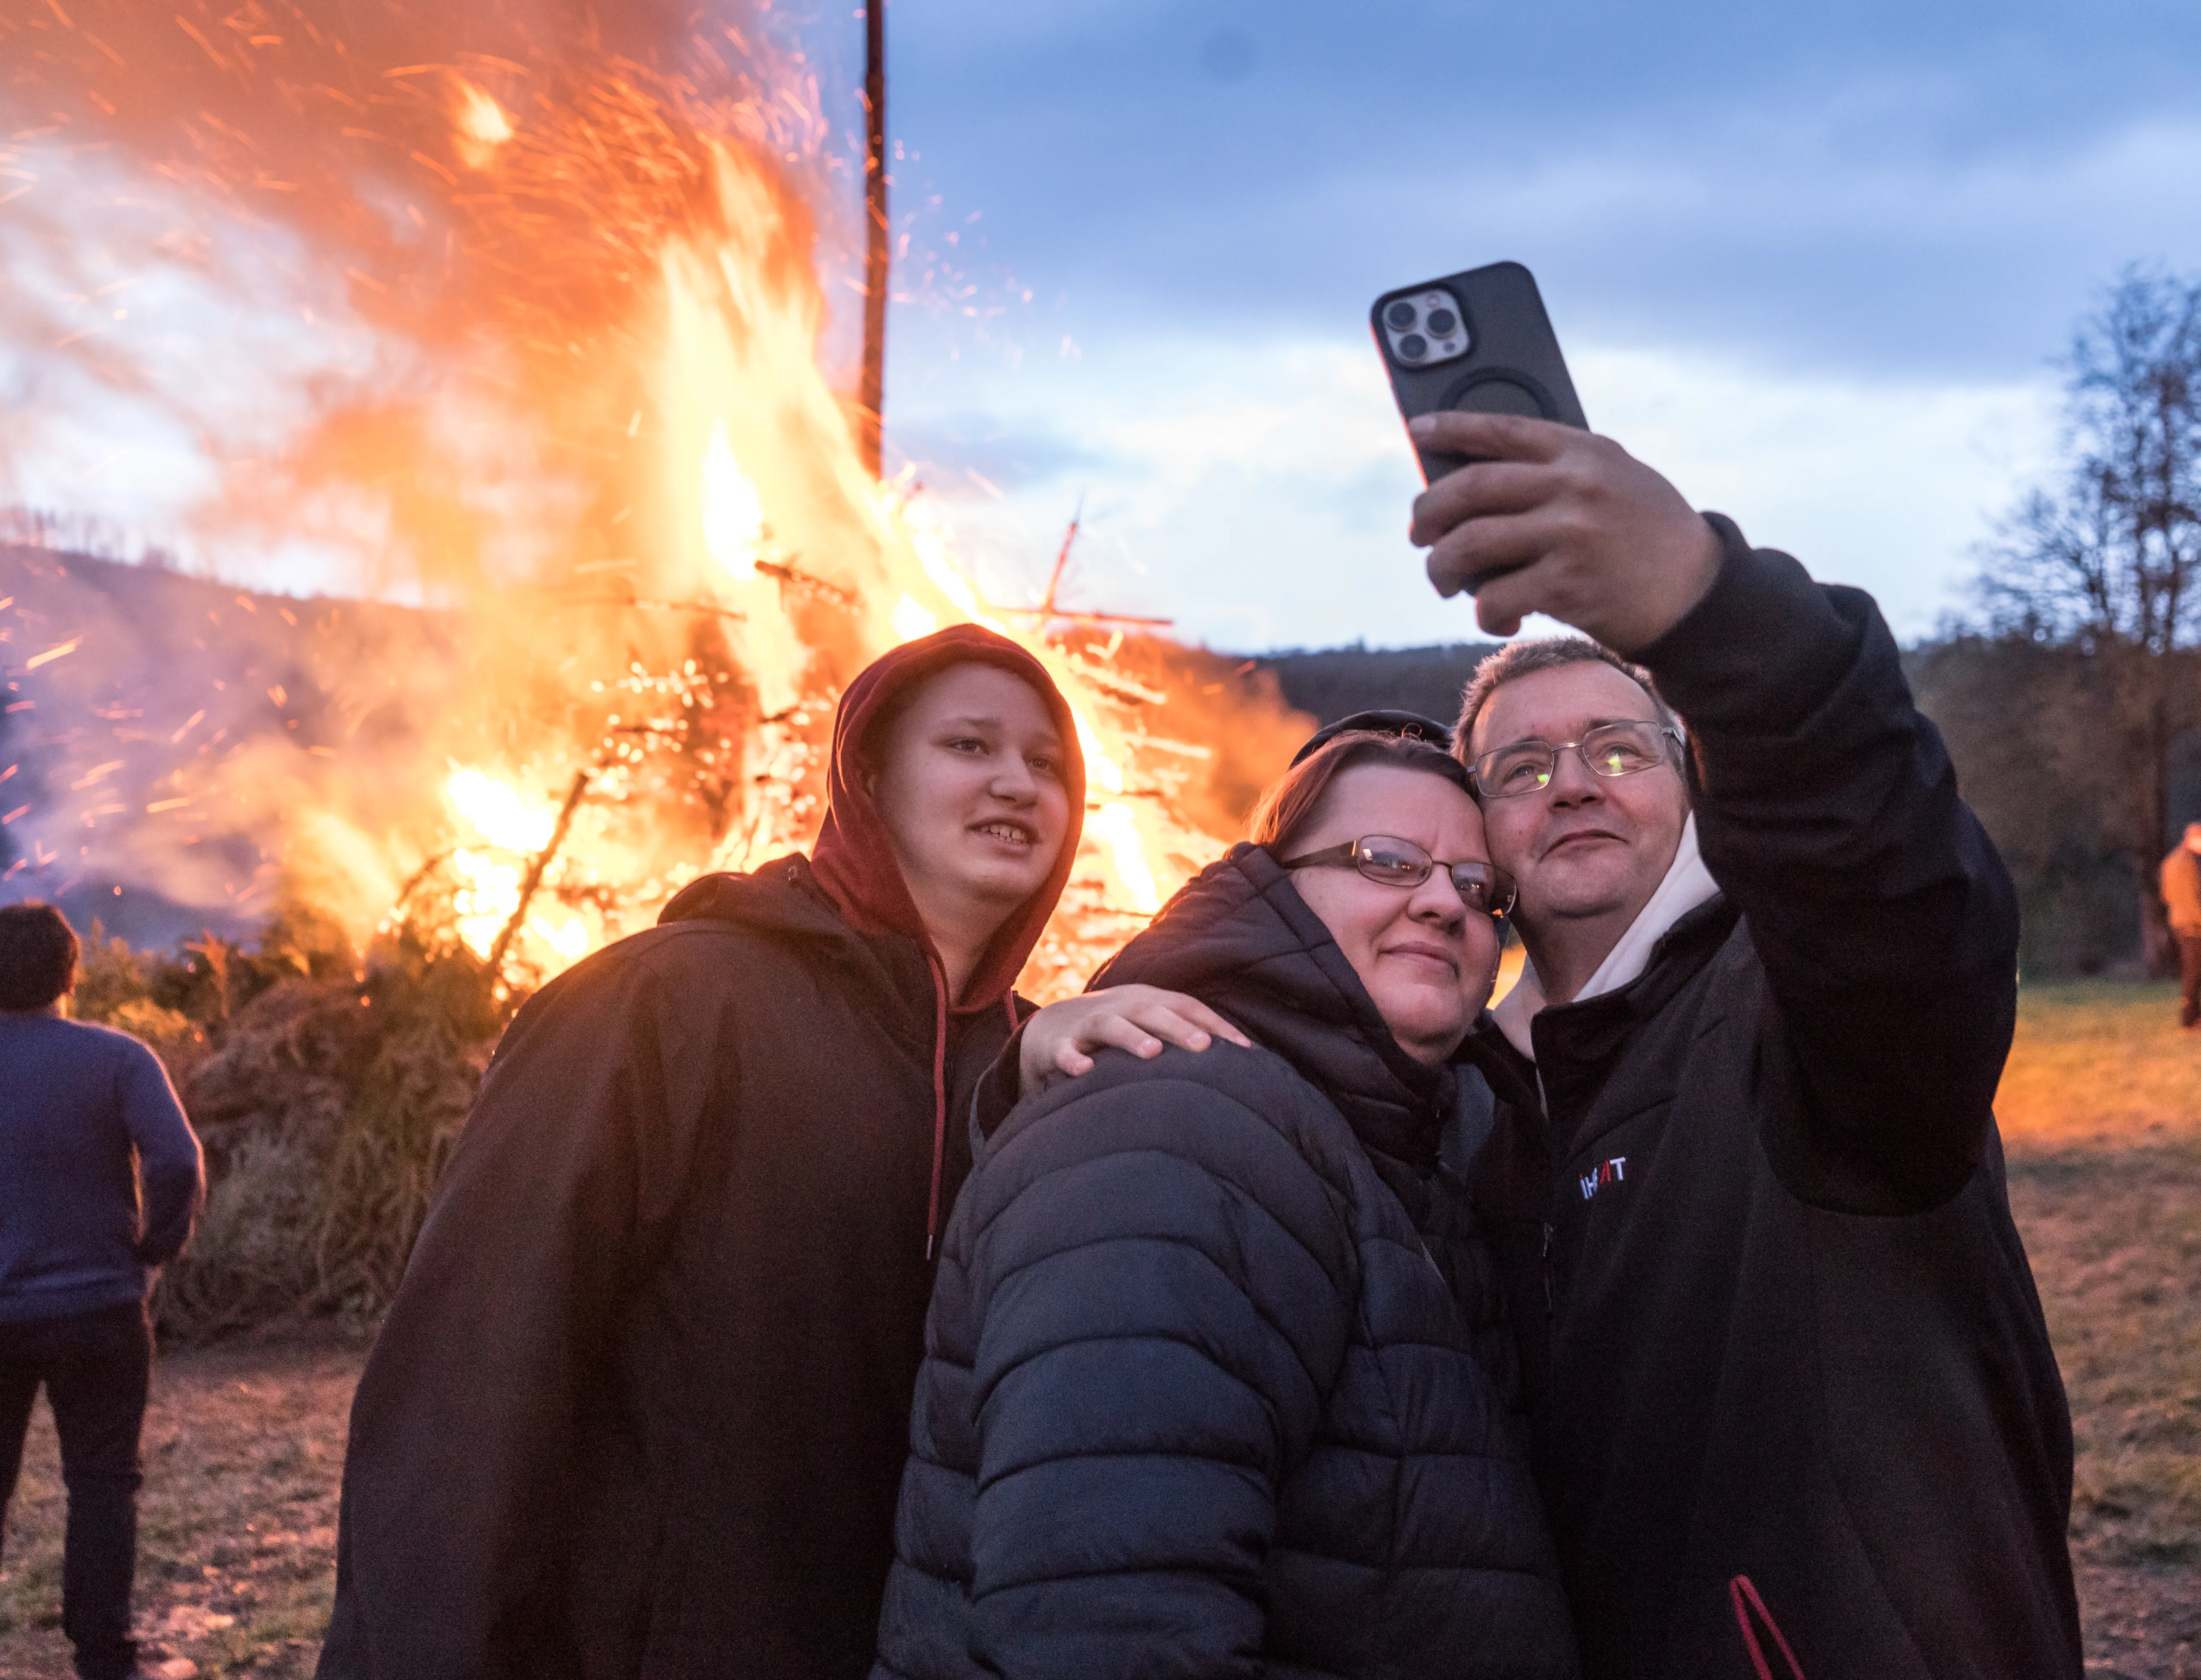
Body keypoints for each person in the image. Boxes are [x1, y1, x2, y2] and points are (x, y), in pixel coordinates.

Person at [318, 626, 1237, 1680]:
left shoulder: (1031, 1070)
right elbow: (471, 1386)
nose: (1018, 784)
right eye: (970, 746)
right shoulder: (660, 1003)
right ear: (868, 777)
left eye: (1047, 764)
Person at [1411, 409, 2078, 1677]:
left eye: (1618, 748)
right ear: (1479, 837)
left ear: (1689, 779)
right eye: (1521, 768)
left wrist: (1707, 612)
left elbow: (1883, 875)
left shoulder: (1800, 1015)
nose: (1574, 783)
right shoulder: (1465, 1106)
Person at [876, 729, 1577, 1680]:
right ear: (1273, 886)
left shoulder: (1401, 1156)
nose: (1443, 902)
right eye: (1386, 860)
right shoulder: (1176, 1121)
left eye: (1476, 886)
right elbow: (1106, 1621)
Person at [0, 901, 203, 1680]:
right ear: (71, 973)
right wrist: (157, 1244)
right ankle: (104, 1657)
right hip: (98, 1310)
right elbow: (177, 1161)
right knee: (101, 1482)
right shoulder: (118, 1058)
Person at [2160, 821, 2201, 1029]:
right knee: (2197, 972)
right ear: (2196, 838)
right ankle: (2190, 1019)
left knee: (2195, 970)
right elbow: (2193, 898)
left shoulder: (2171, 861)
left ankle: (2197, 1018)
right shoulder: (2187, 863)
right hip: (2192, 923)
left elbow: (2166, 896)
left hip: (2178, 921)